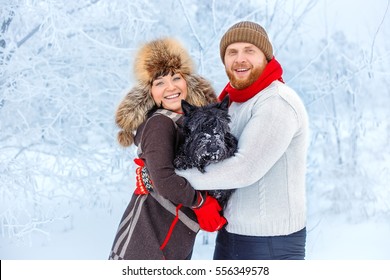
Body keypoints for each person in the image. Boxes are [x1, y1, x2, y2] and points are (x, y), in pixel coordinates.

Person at [176, 21, 309, 260]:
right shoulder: (234, 101)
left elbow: (244, 168)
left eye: (250, 50)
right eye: (232, 52)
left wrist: (169, 178)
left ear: (266, 57)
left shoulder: (276, 102)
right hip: (233, 235)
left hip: (269, 244)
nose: (240, 59)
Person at [109, 38, 226, 260]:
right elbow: (163, 179)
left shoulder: (188, 121)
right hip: (147, 238)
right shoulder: (160, 123)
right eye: (159, 82)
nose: (170, 87)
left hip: (173, 238)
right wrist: (201, 203)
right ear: (150, 92)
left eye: (176, 78)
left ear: (187, 82)